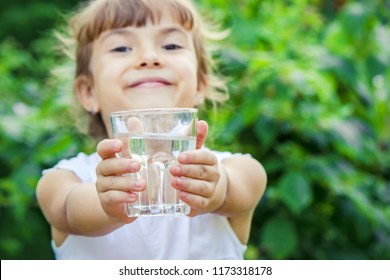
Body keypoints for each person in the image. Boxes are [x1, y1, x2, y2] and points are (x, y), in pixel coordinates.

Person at [36, 0, 267, 260]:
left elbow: (239, 189)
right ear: (88, 92)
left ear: (201, 83)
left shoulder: (239, 170)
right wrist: (107, 205)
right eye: (121, 47)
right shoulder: (64, 181)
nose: (149, 58)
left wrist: (216, 188)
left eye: (171, 45)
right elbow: (68, 210)